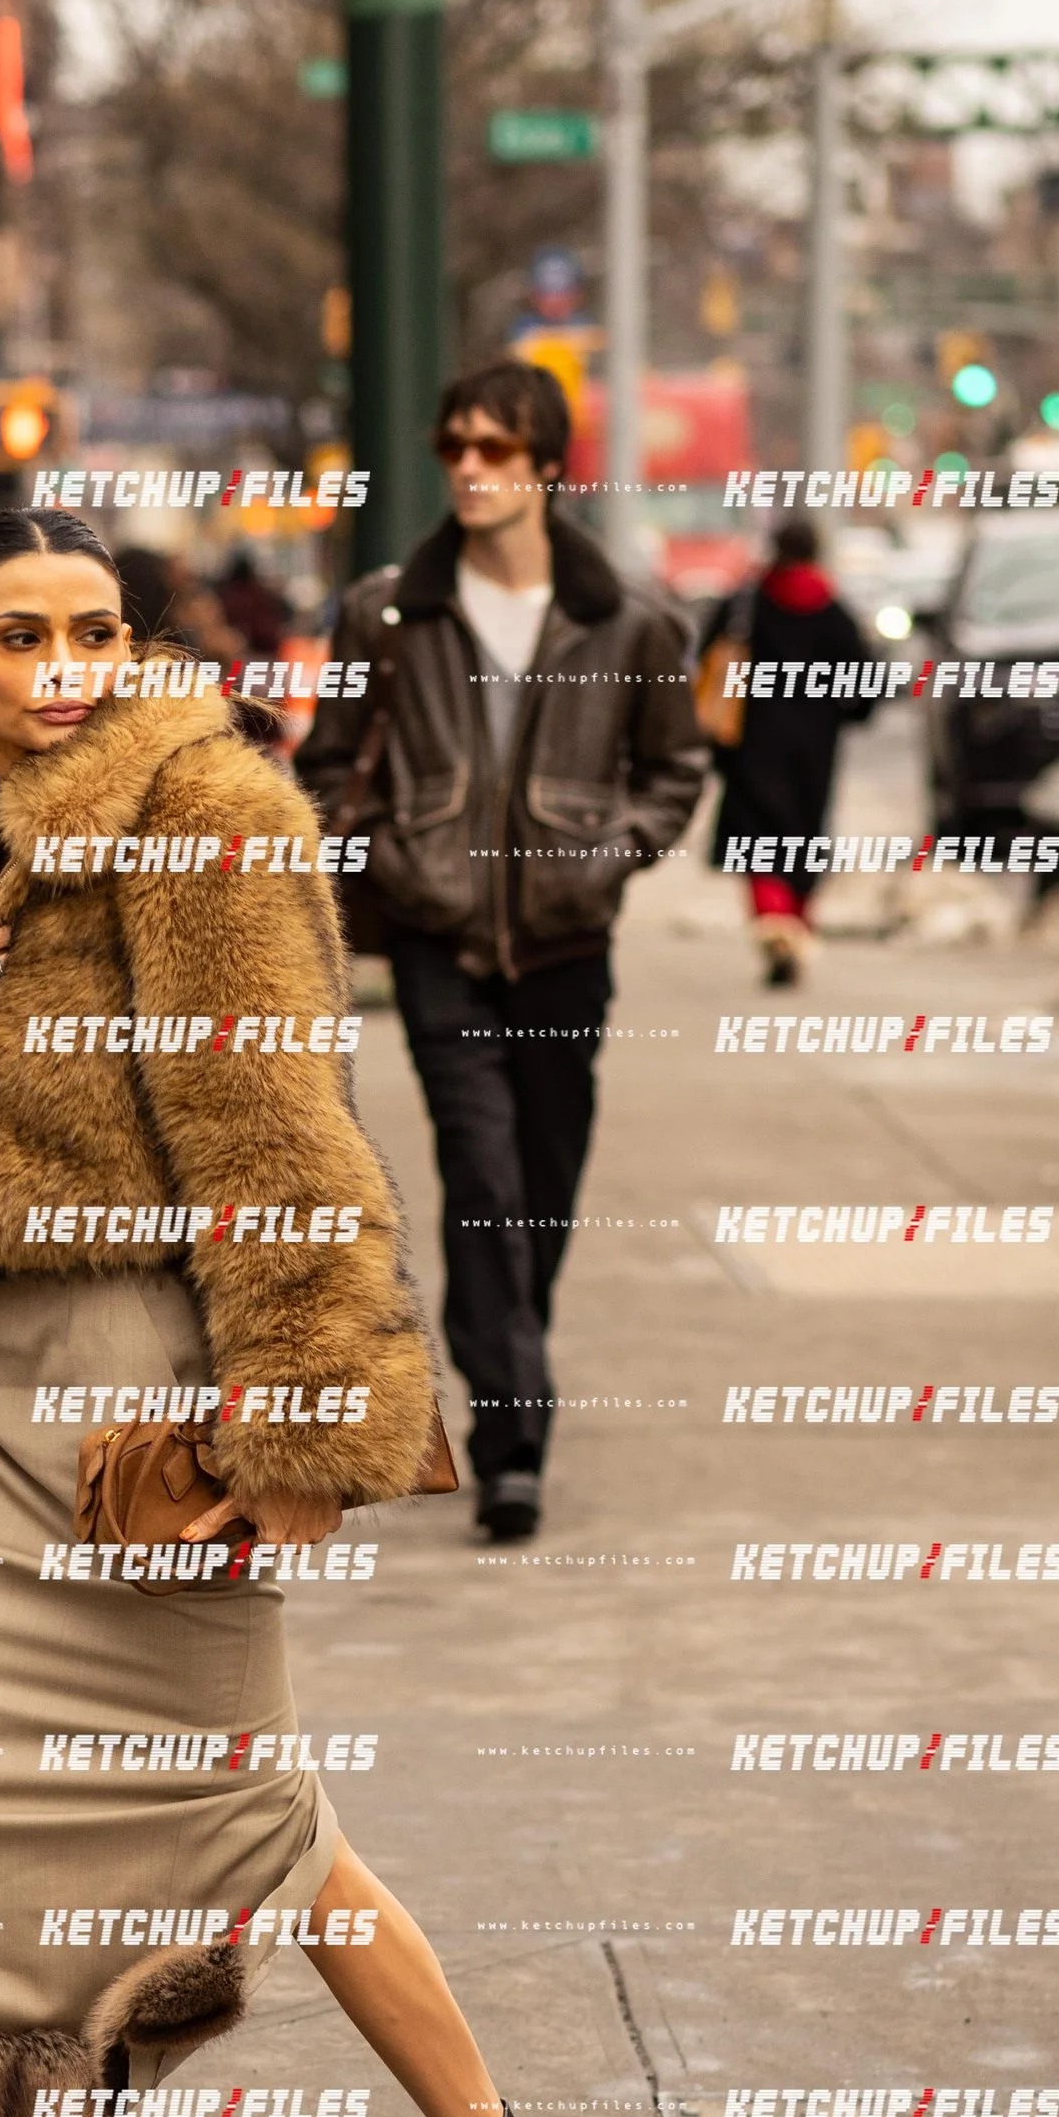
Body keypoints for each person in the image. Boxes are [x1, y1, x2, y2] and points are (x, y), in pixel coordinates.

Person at [0, 508, 610, 2117]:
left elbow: (288, 1148)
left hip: (157, 1406)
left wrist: (302, 1434)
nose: (61, 666)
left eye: (94, 629)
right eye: (21, 633)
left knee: (263, 1828)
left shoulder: (208, 828)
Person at [299, 358, 702, 1544]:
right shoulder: (388, 608)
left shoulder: (625, 616)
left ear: (544, 467)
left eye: (494, 450)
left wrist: (609, 853)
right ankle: (511, 1435)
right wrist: (383, 854)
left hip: (569, 940)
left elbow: (675, 771)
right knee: (479, 1178)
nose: (468, 469)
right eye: (455, 447)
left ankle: (510, 1341)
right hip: (438, 935)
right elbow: (330, 764)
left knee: (544, 1183)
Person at [700, 514, 877, 987]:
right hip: (813, 748)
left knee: (757, 845)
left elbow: (707, 662)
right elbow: (864, 682)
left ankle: (772, 924)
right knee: (802, 839)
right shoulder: (834, 611)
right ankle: (796, 926)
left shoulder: (746, 604)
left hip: (752, 743)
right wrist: (845, 711)